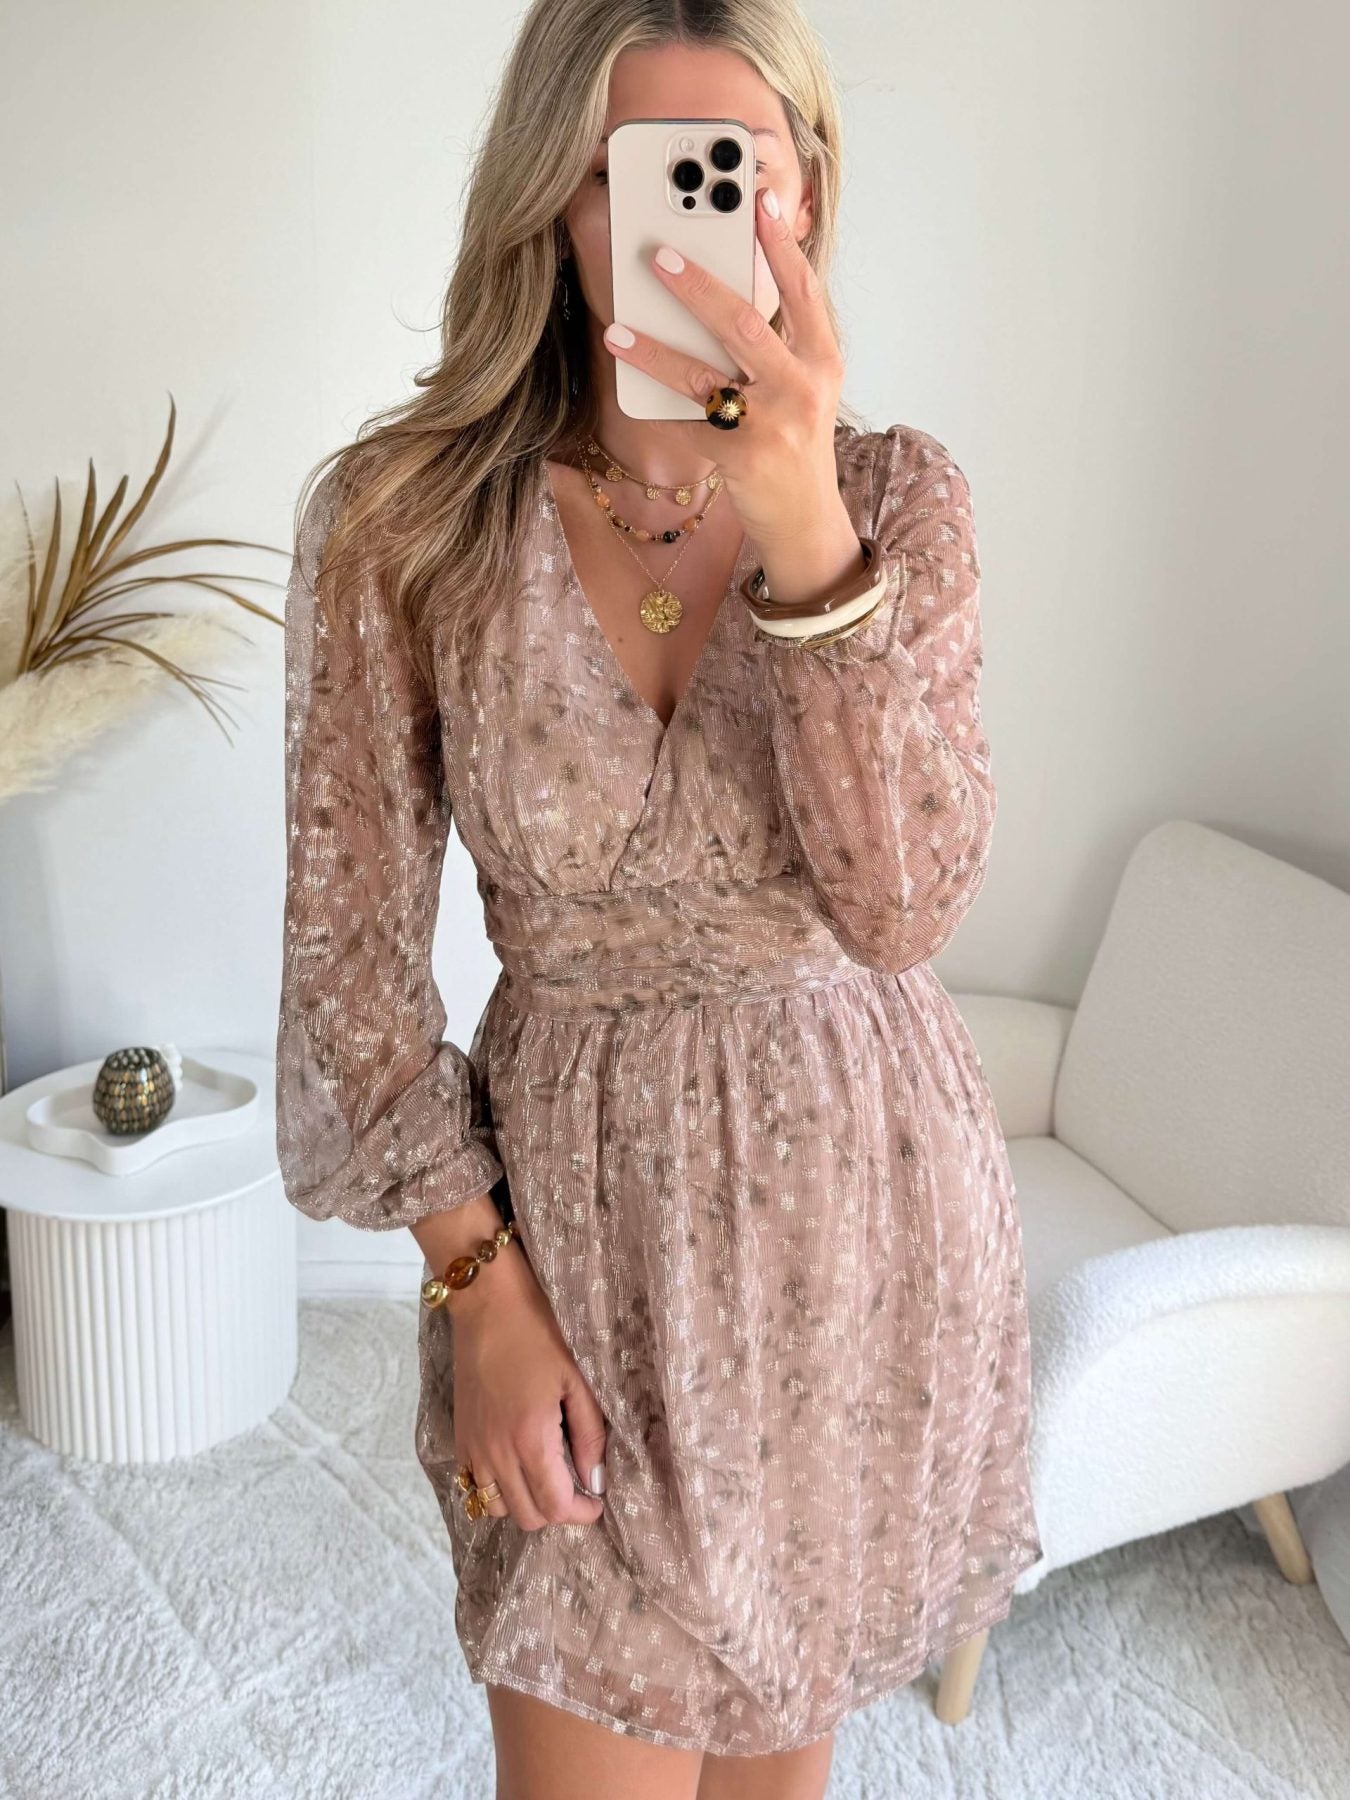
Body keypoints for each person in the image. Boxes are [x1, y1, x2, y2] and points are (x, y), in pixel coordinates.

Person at [274, 3, 1043, 1796]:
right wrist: (479, 1289)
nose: (686, 224)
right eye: (636, 176)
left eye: (736, 170)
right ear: (556, 206)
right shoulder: (405, 520)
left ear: (805, 196)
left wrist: (806, 539)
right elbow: (347, 962)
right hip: (573, 1253)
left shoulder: (898, 503)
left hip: (861, 1236)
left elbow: (905, 908)